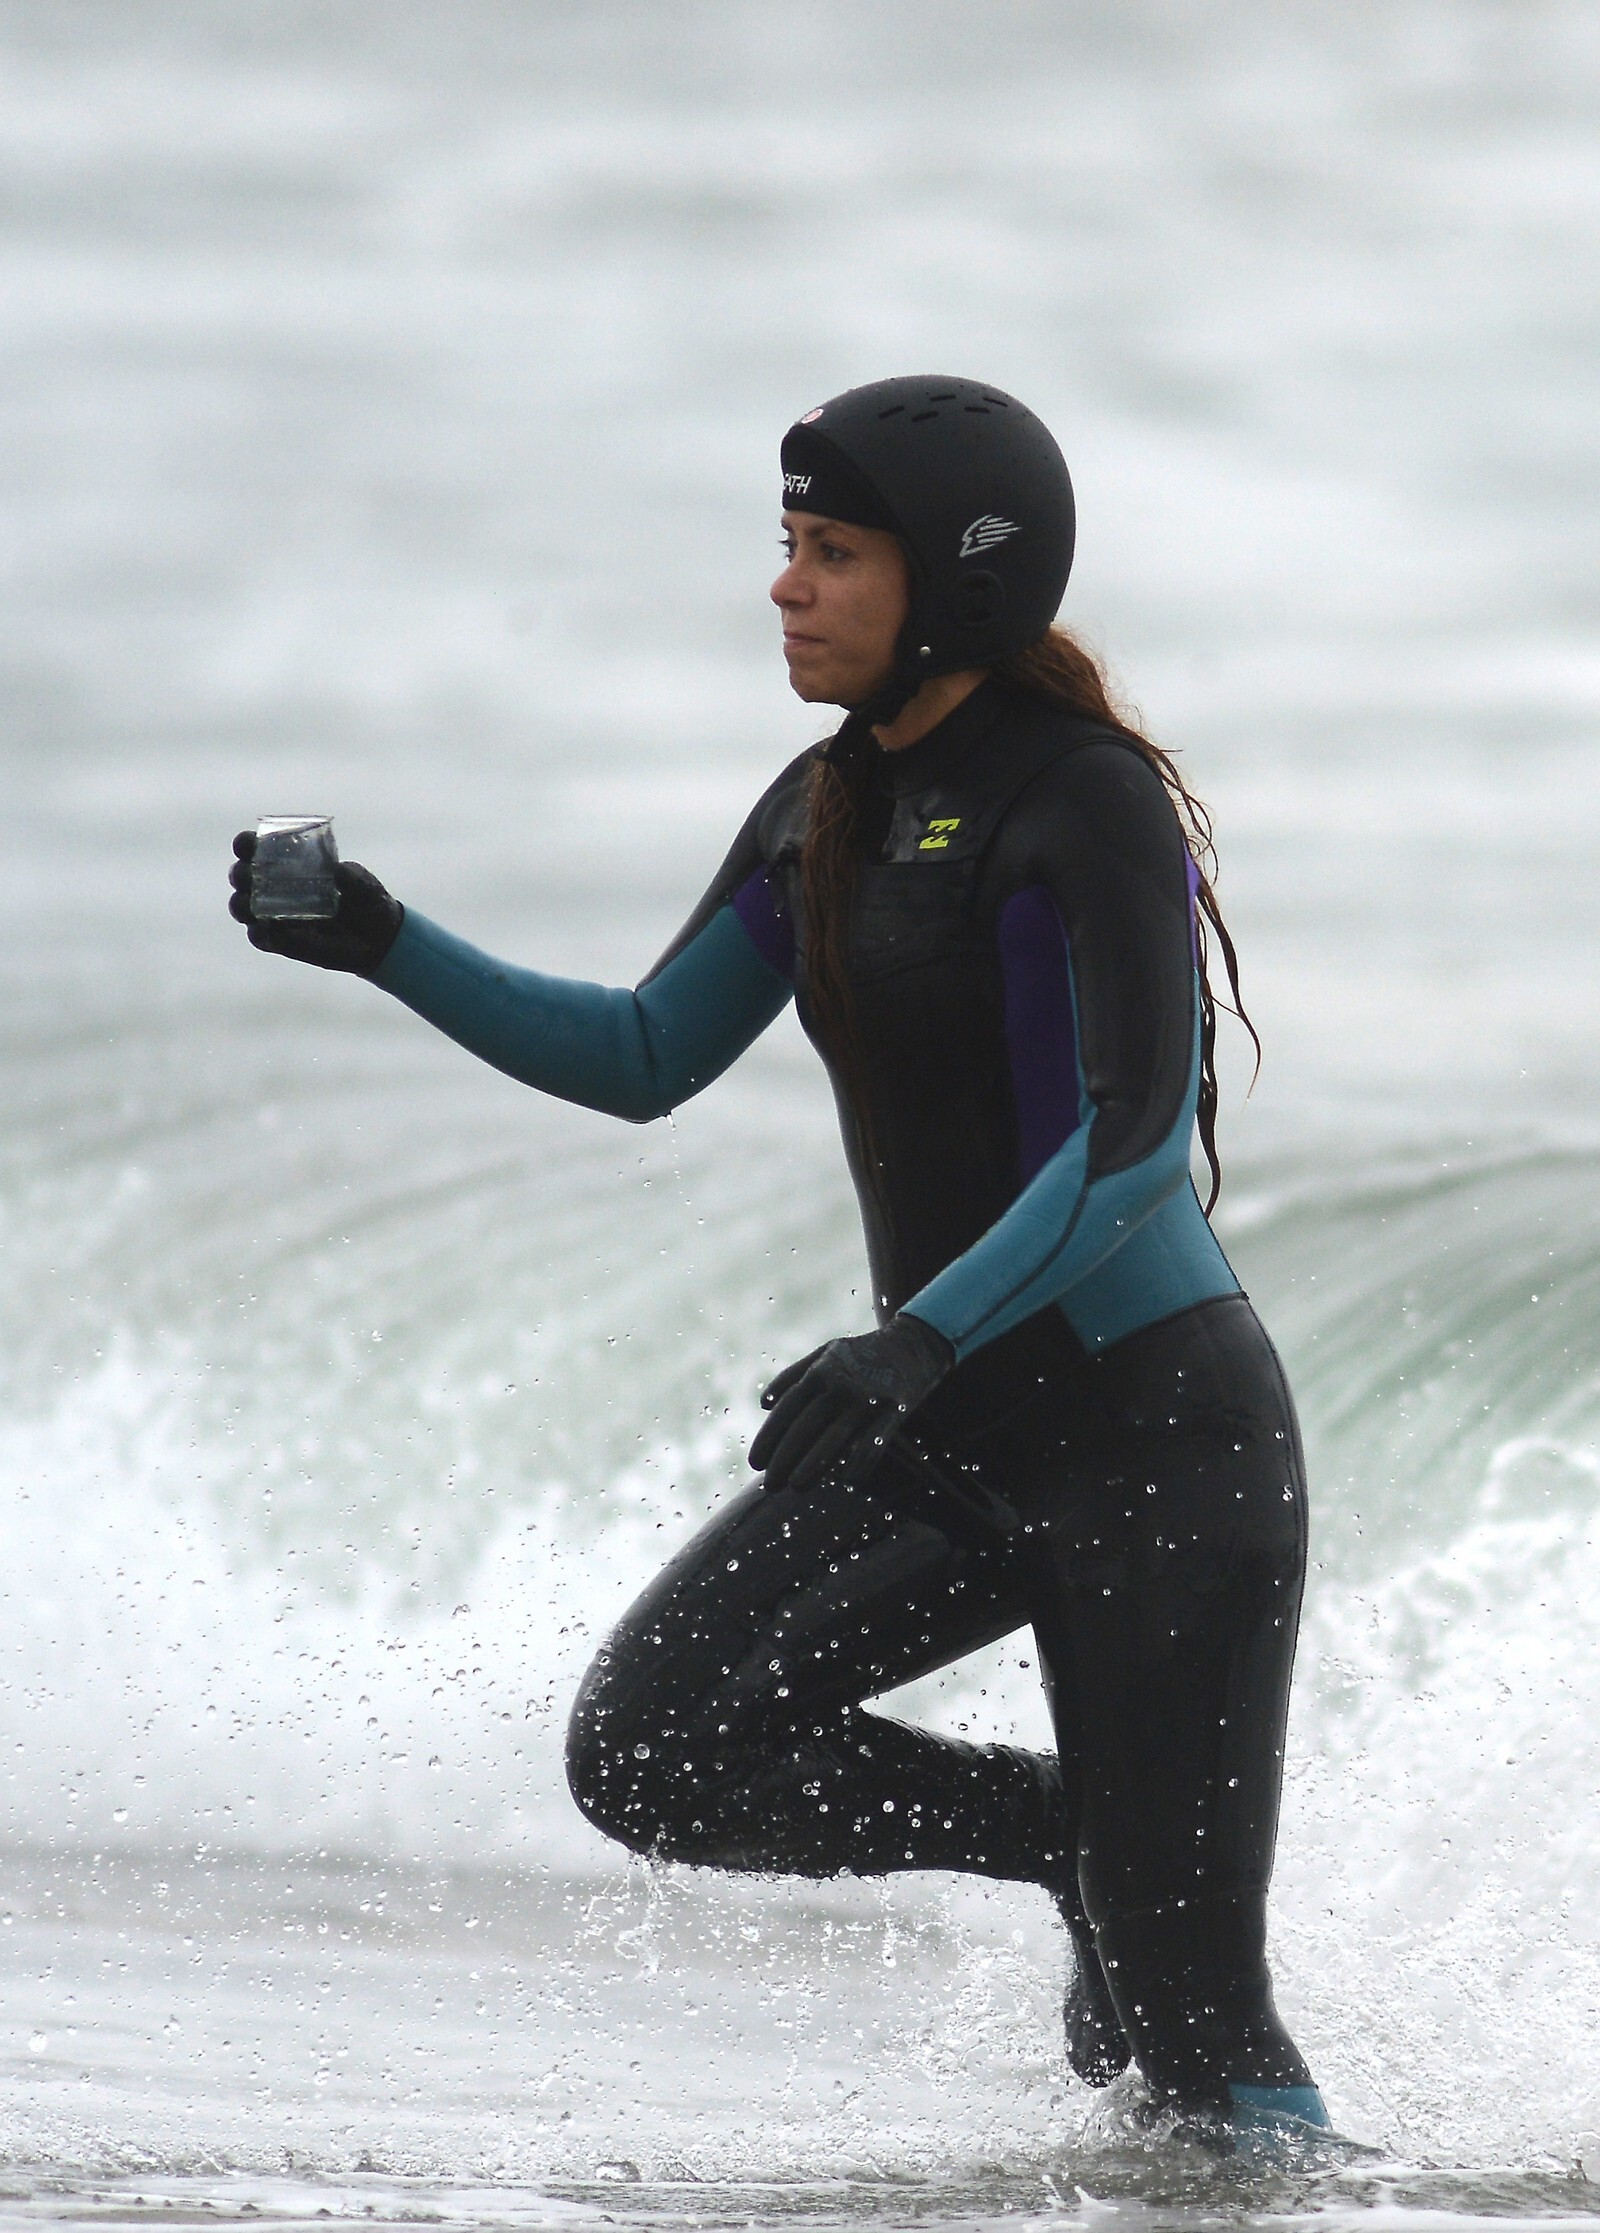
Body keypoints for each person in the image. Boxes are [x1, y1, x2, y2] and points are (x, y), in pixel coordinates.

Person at [229, 374, 1327, 2139]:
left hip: (1159, 1444)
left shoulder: (1085, 800)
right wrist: (382, 939)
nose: (787, 586)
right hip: (960, 1424)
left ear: (957, 579)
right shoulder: (823, 807)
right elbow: (646, 1050)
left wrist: (918, 1339)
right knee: (654, 1745)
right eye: (789, 544)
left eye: (834, 553)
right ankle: (1060, 1832)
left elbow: (1127, 1143)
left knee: (1189, 2027)